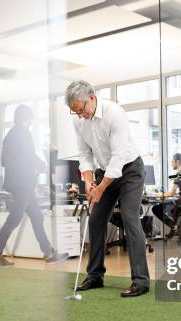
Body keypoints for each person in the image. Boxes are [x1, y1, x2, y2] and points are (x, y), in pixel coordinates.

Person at [66, 80, 150, 297]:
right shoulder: (79, 121)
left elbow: (119, 157)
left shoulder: (115, 113)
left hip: (129, 169)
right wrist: (88, 180)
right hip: (105, 171)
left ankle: (140, 281)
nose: (79, 115)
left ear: (91, 98)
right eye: (74, 112)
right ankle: (95, 276)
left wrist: (101, 188)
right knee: (95, 220)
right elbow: (84, 154)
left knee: (130, 218)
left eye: (81, 109)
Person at [0, 105, 68, 267]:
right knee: (15, 218)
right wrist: (42, 165)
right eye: (31, 118)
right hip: (22, 183)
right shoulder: (23, 132)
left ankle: (49, 253)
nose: (32, 122)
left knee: (36, 217)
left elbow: (5, 160)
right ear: (27, 118)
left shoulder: (10, 134)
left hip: (20, 183)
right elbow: (29, 155)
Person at [151, 152, 181, 239]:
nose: (171, 163)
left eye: (172, 161)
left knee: (156, 208)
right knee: (165, 205)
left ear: (177, 162)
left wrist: (158, 194)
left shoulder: (180, 173)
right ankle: (176, 228)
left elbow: (171, 193)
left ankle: (174, 227)